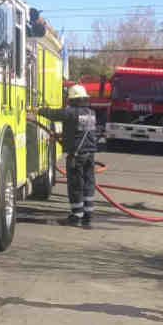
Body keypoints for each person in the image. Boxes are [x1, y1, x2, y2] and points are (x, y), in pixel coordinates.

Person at [38, 84, 99, 227]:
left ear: (72, 100)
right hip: (90, 155)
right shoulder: (91, 113)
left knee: (76, 185)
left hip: (76, 156)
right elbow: (79, 131)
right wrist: (60, 136)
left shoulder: (71, 112)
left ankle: (76, 216)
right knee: (88, 184)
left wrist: (38, 110)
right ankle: (88, 215)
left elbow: (53, 114)